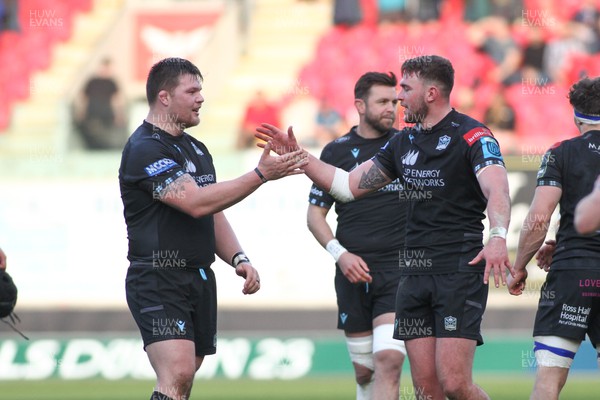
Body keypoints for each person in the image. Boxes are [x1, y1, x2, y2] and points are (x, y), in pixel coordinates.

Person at [256, 55, 513, 400]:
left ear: (432, 92)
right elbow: (347, 186)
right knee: (427, 389)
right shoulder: (402, 143)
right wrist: (302, 157)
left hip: (458, 271)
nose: (400, 98)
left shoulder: (473, 136)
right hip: (413, 275)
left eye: (406, 89)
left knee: (454, 384)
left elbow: (497, 188)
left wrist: (497, 236)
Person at [118, 57, 307, 400]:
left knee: (182, 383)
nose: (201, 98)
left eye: (201, 90)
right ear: (164, 97)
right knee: (177, 373)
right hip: (158, 277)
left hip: (198, 278)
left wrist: (238, 257)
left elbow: (211, 211)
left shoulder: (196, 149)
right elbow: (194, 202)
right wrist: (260, 175)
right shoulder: (145, 148)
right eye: (191, 91)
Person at [307, 72, 406, 400]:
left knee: (388, 359)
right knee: (365, 372)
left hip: (398, 271)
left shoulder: (407, 145)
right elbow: (314, 216)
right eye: (383, 102)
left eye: (394, 101)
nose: (391, 108)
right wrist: (341, 254)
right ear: (360, 106)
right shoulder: (336, 151)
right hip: (351, 273)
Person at [508, 76, 600, 400]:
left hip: (572, 274)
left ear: (577, 117)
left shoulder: (560, 153)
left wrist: (519, 266)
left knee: (548, 381)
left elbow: (538, 217)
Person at [75, 58, 126, 149]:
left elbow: (116, 100)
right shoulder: (92, 81)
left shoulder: (111, 82)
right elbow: (84, 98)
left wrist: (119, 115)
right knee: (90, 134)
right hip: (92, 114)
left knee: (105, 137)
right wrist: (81, 111)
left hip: (106, 115)